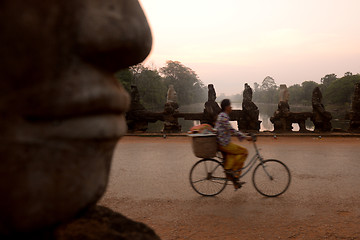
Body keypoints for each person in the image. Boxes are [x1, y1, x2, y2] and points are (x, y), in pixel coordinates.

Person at [215, 99, 252, 189]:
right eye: (230, 106)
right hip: (224, 143)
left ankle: (235, 180)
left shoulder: (223, 115)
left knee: (234, 156)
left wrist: (244, 135)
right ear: (227, 107)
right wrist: (245, 137)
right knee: (244, 151)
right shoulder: (223, 117)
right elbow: (232, 130)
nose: (231, 107)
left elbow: (231, 130)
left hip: (223, 142)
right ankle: (233, 173)